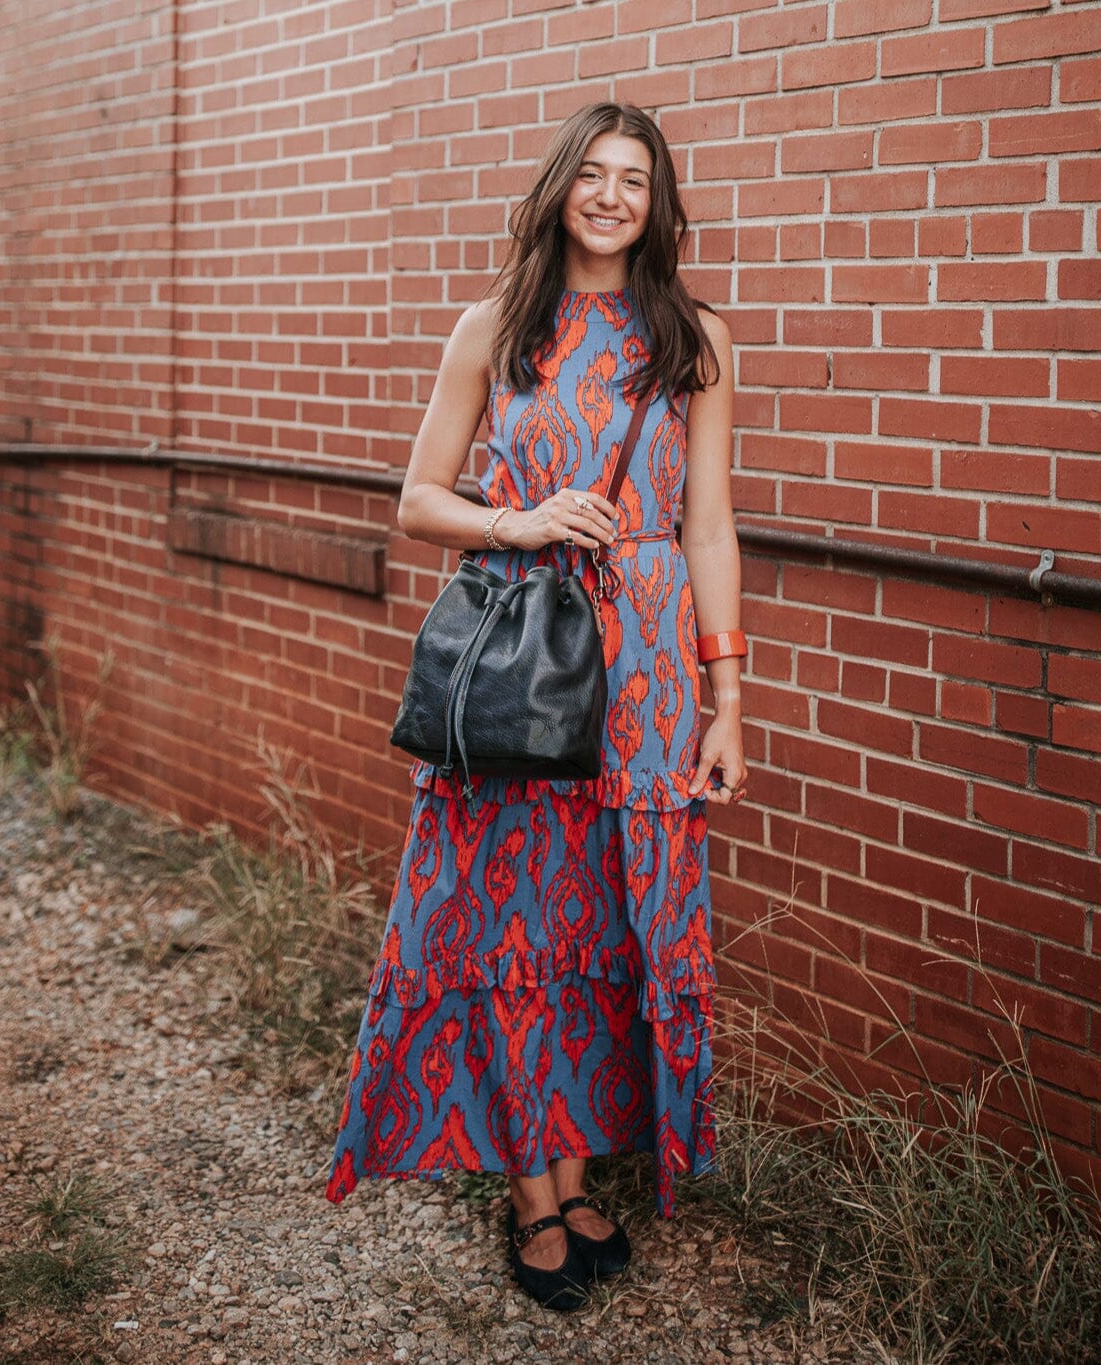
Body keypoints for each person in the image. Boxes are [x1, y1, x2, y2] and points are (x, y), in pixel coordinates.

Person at [326, 101, 747, 1313]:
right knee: (511, 924)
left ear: (658, 204)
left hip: (647, 673)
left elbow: (710, 527)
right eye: (593, 174)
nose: (612, 196)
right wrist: (518, 520)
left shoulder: (696, 339)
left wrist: (727, 700)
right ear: (561, 187)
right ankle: (529, 1198)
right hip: (524, 659)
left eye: (636, 180)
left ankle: (572, 1172)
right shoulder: (495, 326)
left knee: (609, 927)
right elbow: (419, 499)